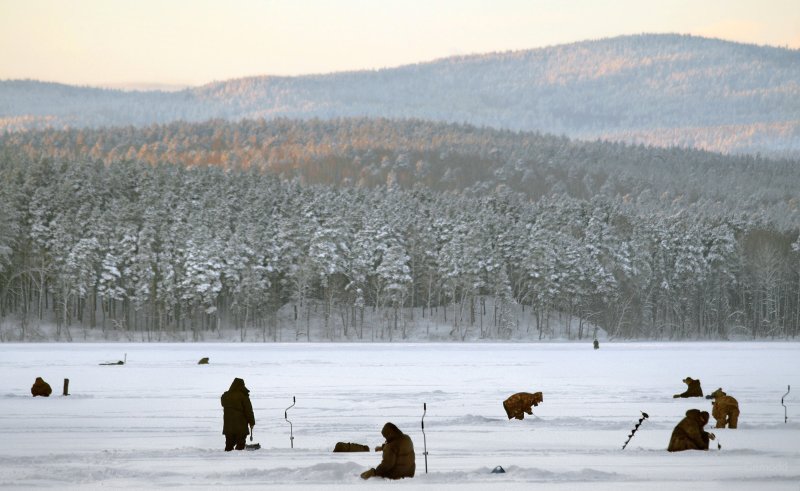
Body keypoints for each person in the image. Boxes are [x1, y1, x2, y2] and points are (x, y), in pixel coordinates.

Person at [220, 378, 255, 451]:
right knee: (240, 445)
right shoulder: (243, 396)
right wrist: (251, 422)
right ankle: (238, 459)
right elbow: (248, 411)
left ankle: (227, 459)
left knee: (229, 445)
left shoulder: (225, 396)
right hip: (241, 425)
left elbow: (223, 404)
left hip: (228, 425)